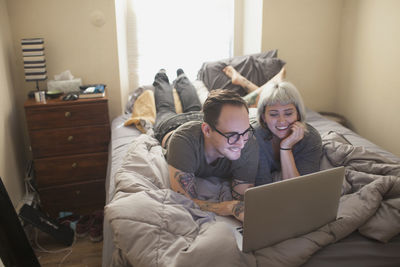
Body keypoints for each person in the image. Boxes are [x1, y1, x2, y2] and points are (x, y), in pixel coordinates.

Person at [153, 69, 259, 221]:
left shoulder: (248, 142)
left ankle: (182, 76)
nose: (241, 143)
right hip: (173, 125)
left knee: (193, 106)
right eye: (232, 136)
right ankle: (162, 76)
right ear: (207, 130)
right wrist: (227, 207)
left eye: (245, 132)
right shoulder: (183, 143)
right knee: (166, 108)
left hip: (202, 119)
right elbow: (186, 202)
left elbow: (242, 198)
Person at [223, 66, 322, 185]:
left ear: (298, 115)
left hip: (258, 111)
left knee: (268, 101)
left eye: (289, 113)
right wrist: (285, 147)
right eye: (274, 114)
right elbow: (262, 187)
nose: (282, 121)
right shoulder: (253, 137)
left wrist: (286, 147)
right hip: (246, 116)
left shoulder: (311, 138)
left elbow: (300, 188)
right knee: (233, 107)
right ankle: (245, 81)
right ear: (264, 117)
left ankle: (247, 81)